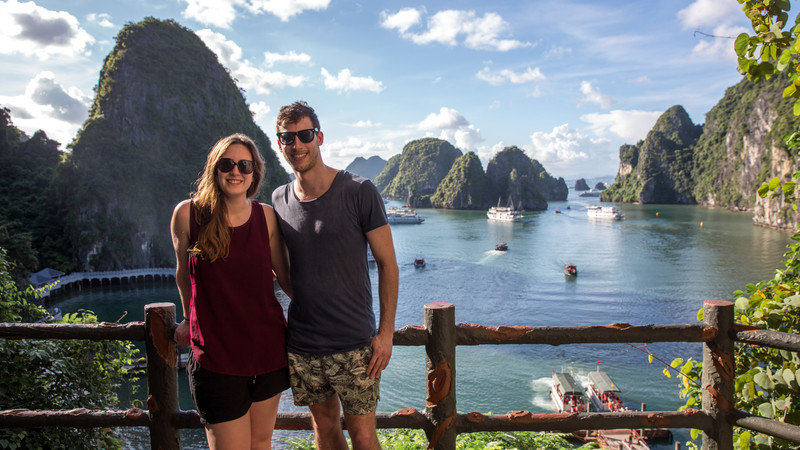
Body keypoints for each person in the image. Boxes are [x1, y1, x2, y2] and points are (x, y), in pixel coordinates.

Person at [271, 101, 399, 450]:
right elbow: (283, 270)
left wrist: (386, 333)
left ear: (319, 137)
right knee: (324, 428)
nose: (297, 144)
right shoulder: (279, 199)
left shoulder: (359, 191)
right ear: (280, 144)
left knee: (363, 435)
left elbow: (387, 263)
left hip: (354, 345)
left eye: (304, 135)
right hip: (303, 344)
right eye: (287, 138)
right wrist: (306, 297)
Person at [171, 133, 292, 450]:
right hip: (216, 358)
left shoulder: (266, 217)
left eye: (244, 165)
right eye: (227, 164)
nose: (235, 171)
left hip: (268, 351)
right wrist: (189, 319)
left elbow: (286, 277)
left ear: (254, 174)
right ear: (215, 168)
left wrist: (328, 309)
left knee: (261, 443)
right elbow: (183, 274)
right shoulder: (188, 214)